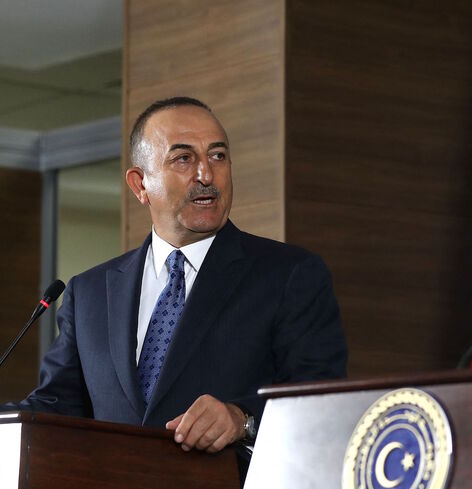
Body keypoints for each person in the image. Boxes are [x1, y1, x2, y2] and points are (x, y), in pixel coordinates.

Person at [3, 97, 347, 477]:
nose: (206, 175)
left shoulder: (289, 274)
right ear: (140, 184)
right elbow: (55, 405)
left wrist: (242, 419)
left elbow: (321, 402)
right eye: (183, 159)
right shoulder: (90, 293)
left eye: (217, 156)